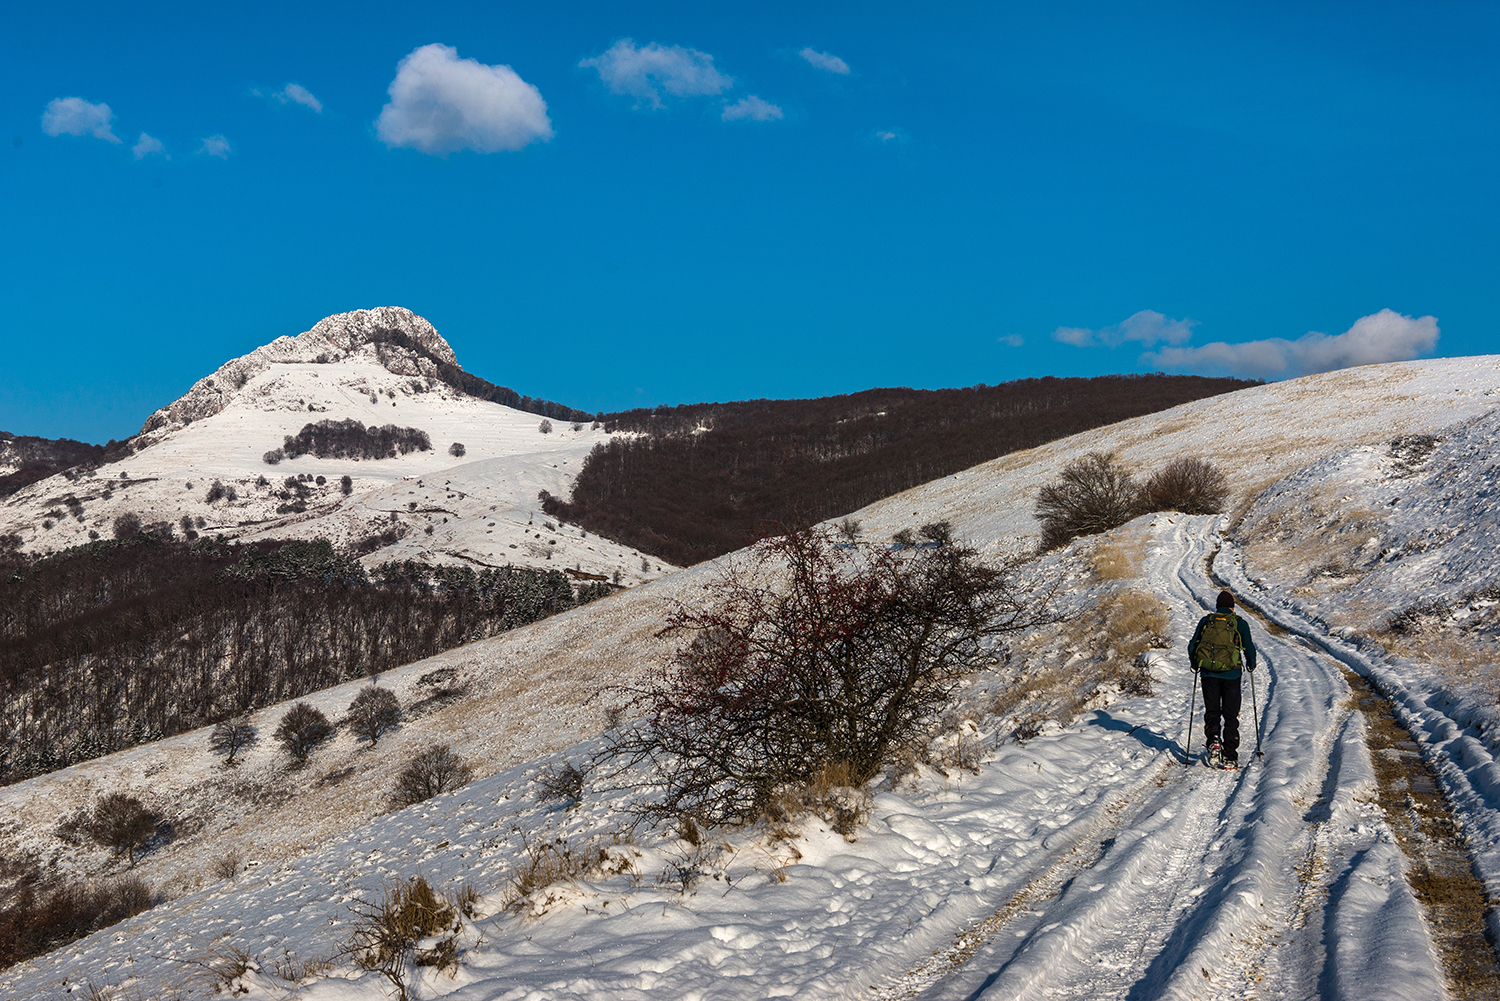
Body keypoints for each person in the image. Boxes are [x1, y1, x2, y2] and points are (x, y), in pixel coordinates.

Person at [1187, 590, 1256, 769]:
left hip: (1208, 674)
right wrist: (1251, 663)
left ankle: (1214, 743)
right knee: (1230, 715)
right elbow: (1249, 647)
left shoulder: (1206, 621)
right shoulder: (1239, 623)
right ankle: (1230, 757)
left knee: (1212, 711)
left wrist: (1195, 663)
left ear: (1217, 607)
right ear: (1232, 607)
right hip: (1232, 675)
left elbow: (1193, 645)